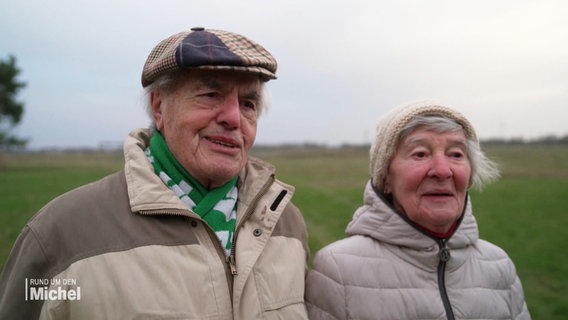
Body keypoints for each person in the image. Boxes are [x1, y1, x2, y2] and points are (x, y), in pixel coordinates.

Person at [0, 27, 309, 319]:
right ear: (159, 107)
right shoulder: (59, 234)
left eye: (248, 103)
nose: (233, 118)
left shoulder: (287, 225)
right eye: (211, 95)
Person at [305, 101, 531, 319]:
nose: (443, 171)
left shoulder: (500, 267)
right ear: (385, 179)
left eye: (456, 154)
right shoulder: (337, 272)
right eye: (420, 154)